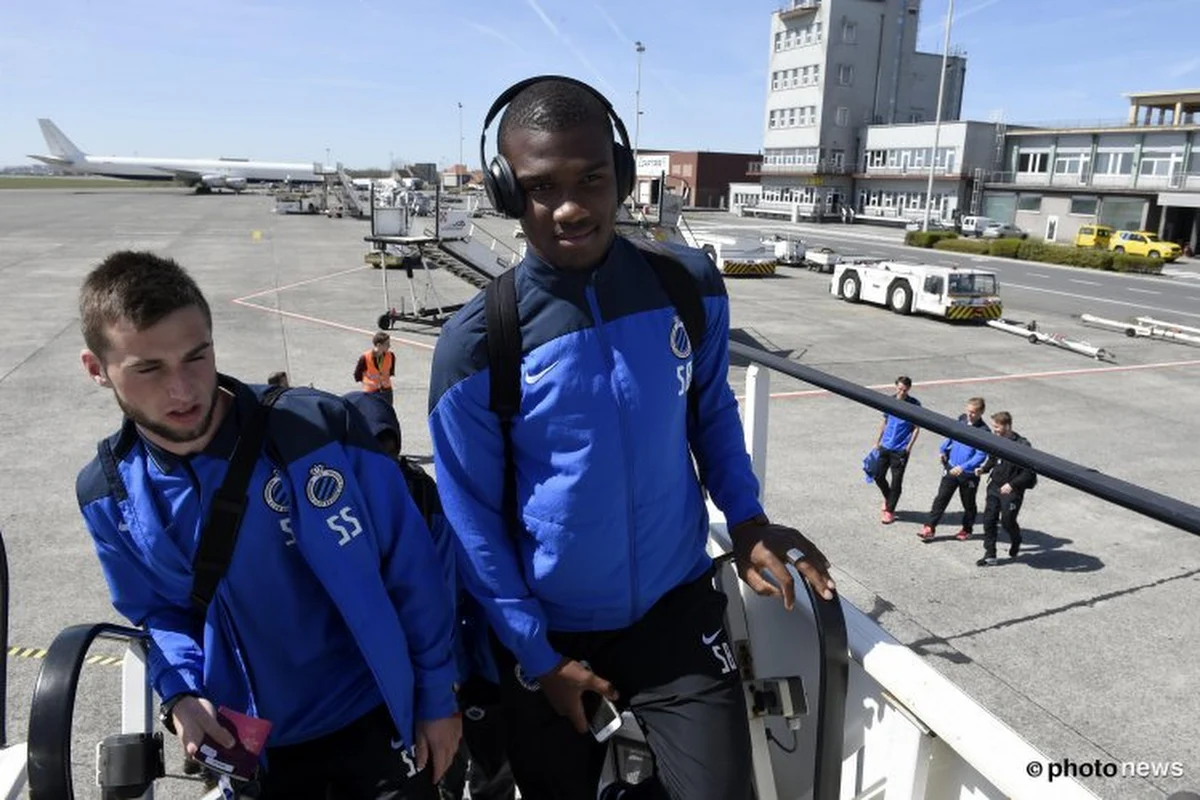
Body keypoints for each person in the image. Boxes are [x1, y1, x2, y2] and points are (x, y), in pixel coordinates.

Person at [427, 75, 836, 800]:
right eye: (541, 187)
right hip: (547, 636)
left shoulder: (687, 284)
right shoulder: (477, 344)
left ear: (620, 173)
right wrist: (538, 655)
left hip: (675, 615)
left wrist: (746, 522)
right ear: (507, 192)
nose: (572, 207)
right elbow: (473, 525)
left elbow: (710, 412)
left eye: (591, 178)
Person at [75, 250, 460, 799]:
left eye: (196, 357)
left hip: (377, 724)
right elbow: (158, 611)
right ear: (97, 369)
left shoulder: (319, 428)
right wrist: (181, 692)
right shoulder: (106, 496)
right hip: (256, 753)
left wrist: (437, 697)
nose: (183, 390)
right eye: (149, 369)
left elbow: (412, 565)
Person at [345, 391, 516, 800]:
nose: (384, 462)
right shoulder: (344, 508)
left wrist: (449, 677)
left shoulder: (424, 498)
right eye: (373, 449)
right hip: (408, 675)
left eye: (390, 448)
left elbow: (440, 596)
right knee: (437, 772)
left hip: (457, 665)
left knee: (475, 763)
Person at [919, 397, 989, 542]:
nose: (970, 415)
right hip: (951, 468)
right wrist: (943, 449)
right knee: (941, 499)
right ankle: (929, 527)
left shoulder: (984, 431)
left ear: (981, 412)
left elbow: (980, 456)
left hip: (968, 475)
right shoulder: (961, 419)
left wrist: (963, 467)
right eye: (968, 411)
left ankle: (967, 529)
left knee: (968, 503)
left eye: (974, 413)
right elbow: (952, 435)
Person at [976, 411, 1036, 566]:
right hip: (994, 487)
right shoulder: (997, 440)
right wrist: (984, 469)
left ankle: (1016, 539)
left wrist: (1012, 485)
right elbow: (993, 459)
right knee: (989, 520)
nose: (994, 430)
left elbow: (1029, 473)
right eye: (994, 426)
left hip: (1012, 491)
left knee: (1007, 522)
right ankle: (990, 555)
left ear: (1007, 426)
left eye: (997, 427)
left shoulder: (1022, 445)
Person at [871, 376, 921, 524]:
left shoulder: (914, 404)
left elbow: (917, 428)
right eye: (899, 389)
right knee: (878, 475)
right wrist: (877, 441)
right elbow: (885, 422)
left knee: (896, 482)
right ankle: (889, 498)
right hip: (885, 446)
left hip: (900, 450)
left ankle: (890, 511)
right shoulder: (890, 401)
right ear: (895, 387)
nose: (902, 392)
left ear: (909, 389)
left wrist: (908, 448)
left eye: (904, 390)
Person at [356, 331, 396, 405]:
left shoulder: (391, 356)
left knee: (387, 413)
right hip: (371, 392)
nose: (389, 346)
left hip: (386, 391)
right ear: (379, 345)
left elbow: (391, 372)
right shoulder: (365, 357)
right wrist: (370, 383)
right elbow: (357, 375)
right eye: (387, 344)